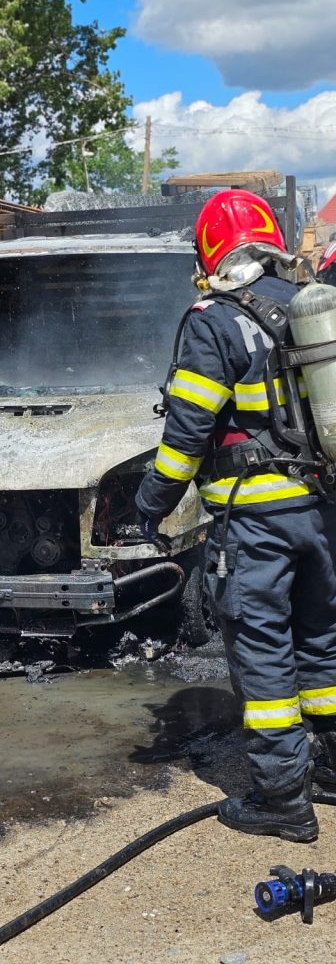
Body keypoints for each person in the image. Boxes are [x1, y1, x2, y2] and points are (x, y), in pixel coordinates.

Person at [134, 189, 336, 843]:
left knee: (263, 656)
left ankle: (282, 799)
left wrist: (149, 505)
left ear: (211, 251)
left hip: (255, 524)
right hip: (322, 513)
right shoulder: (308, 305)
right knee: (321, 644)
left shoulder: (215, 319)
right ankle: (331, 772)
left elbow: (187, 433)